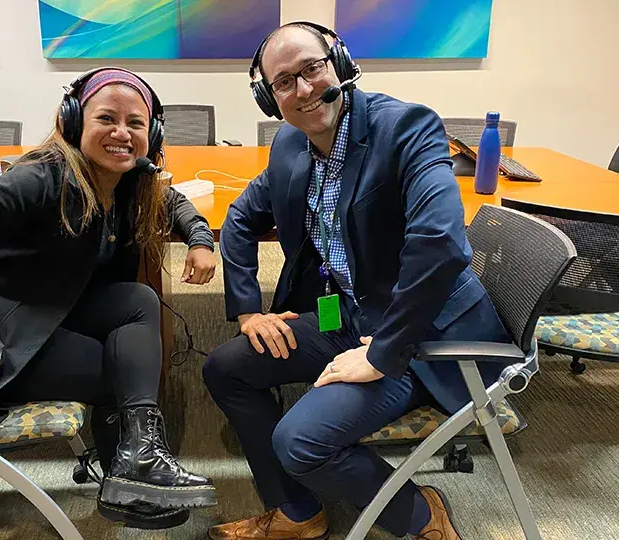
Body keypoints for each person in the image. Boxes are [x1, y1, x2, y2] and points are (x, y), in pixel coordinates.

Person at [202, 22, 511, 540]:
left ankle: (418, 513)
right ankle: (299, 513)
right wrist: (248, 309)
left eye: (312, 69)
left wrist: (381, 353)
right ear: (268, 97)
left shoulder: (407, 128)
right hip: (350, 312)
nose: (303, 89)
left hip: (425, 335)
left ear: (339, 64)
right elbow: (239, 218)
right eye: (284, 82)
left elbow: (440, 244)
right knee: (226, 367)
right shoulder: (292, 145)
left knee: (298, 441)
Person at [0, 67, 217, 529]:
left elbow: (171, 200)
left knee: (138, 300)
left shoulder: (125, 179)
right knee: (128, 368)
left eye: (136, 123)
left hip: (44, 314)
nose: (122, 133)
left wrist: (199, 237)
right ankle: (128, 477)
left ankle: (132, 466)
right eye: (106, 119)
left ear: (151, 134)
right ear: (75, 122)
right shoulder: (42, 178)